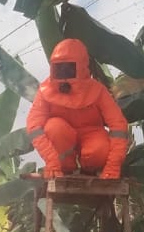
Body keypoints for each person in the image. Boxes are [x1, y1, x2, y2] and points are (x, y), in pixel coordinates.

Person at [26, 37, 130, 179]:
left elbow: (118, 127)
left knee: (99, 149)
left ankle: (89, 170)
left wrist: (113, 166)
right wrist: (52, 162)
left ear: (81, 67)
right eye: (59, 69)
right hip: (61, 144)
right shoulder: (45, 91)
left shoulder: (98, 90)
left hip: (92, 135)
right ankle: (67, 168)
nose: (63, 75)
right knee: (54, 127)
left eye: (68, 69)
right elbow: (34, 127)